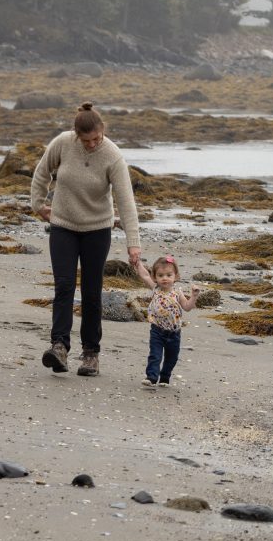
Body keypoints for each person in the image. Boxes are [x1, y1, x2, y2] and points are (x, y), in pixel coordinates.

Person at [31, 102, 141, 377]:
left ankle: (91, 354)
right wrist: (37, 204)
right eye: (86, 140)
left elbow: (125, 201)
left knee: (92, 292)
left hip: (97, 229)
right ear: (76, 134)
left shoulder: (112, 156)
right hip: (63, 226)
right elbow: (42, 172)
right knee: (64, 286)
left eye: (97, 139)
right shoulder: (63, 143)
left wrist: (133, 242)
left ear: (103, 131)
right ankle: (59, 347)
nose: (92, 144)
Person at [135, 255, 200, 388]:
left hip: (174, 333)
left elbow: (187, 307)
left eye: (169, 275)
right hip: (157, 330)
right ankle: (151, 377)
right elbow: (144, 275)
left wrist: (194, 296)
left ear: (175, 276)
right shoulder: (155, 288)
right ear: (155, 277)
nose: (165, 278)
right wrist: (137, 263)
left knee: (172, 358)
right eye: (161, 275)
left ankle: (165, 377)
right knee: (155, 355)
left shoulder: (177, 292)